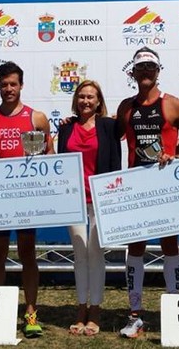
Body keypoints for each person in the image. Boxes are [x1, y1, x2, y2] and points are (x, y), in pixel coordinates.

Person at [0, 61, 54, 338]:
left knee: (28, 254)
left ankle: (31, 313)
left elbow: (51, 157)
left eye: (13, 84)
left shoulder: (37, 118)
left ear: (21, 85)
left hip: (27, 198)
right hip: (0, 200)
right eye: (3, 84)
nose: (8, 89)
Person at [115, 47, 179, 338]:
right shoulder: (125, 107)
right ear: (132, 73)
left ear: (158, 71)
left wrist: (175, 156)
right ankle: (135, 314)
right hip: (137, 185)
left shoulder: (174, 105)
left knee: (170, 245)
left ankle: (175, 305)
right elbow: (109, 135)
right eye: (140, 68)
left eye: (150, 67)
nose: (146, 72)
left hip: (165, 186)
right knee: (135, 248)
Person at [57, 80, 121, 336]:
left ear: (98, 101)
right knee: (79, 252)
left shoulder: (109, 126)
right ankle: (80, 307)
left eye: (91, 97)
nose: (86, 101)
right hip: (74, 201)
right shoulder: (65, 127)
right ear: (76, 100)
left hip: (100, 199)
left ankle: (95, 309)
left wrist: (114, 197)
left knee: (96, 253)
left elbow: (115, 161)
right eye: (82, 96)